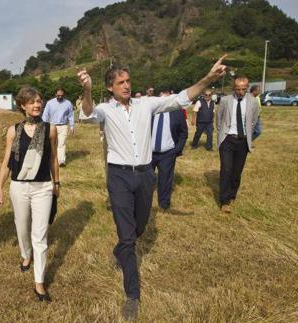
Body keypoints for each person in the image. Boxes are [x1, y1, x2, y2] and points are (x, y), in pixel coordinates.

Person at [77, 55, 227, 321]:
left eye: (128, 80)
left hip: (146, 175)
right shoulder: (105, 109)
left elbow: (181, 97)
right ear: (110, 87)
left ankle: (119, 251)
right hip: (119, 177)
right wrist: (87, 89)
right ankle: (132, 295)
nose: (126, 85)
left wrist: (208, 78)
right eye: (120, 82)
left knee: (140, 227)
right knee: (127, 238)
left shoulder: (146, 105)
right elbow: (87, 113)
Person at [0, 86, 59, 302]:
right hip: (19, 187)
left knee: (40, 236)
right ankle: (25, 255)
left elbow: (53, 159)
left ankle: (39, 282)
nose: (37, 105)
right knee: (22, 228)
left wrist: (56, 182)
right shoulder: (14, 131)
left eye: (39, 101)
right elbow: (6, 161)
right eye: (31, 102)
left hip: (43, 187)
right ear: (22, 106)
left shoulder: (50, 129)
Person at [216, 76, 259, 213]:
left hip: (242, 141)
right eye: (237, 89)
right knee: (226, 170)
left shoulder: (253, 102)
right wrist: (222, 134)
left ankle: (232, 194)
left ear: (247, 87)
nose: (240, 92)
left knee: (236, 172)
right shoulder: (225, 100)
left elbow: (253, 121)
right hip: (227, 140)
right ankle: (224, 200)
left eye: (243, 89)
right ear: (233, 88)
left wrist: (247, 134)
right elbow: (219, 119)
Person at [152, 90, 188, 210]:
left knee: (165, 179)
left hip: (167, 153)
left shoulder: (177, 113)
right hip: (148, 152)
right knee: (144, 178)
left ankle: (164, 203)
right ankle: (143, 200)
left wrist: (176, 150)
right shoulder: (151, 111)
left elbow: (183, 133)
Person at [42, 88, 74, 166]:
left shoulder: (68, 103)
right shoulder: (50, 103)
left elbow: (71, 115)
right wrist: (43, 125)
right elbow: (45, 114)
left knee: (61, 143)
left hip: (63, 126)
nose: (60, 97)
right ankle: (50, 159)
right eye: (58, 95)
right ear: (55, 94)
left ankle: (61, 161)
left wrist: (72, 126)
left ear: (64, 95)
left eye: (61, 95)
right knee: (51, 144)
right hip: (52, 126)